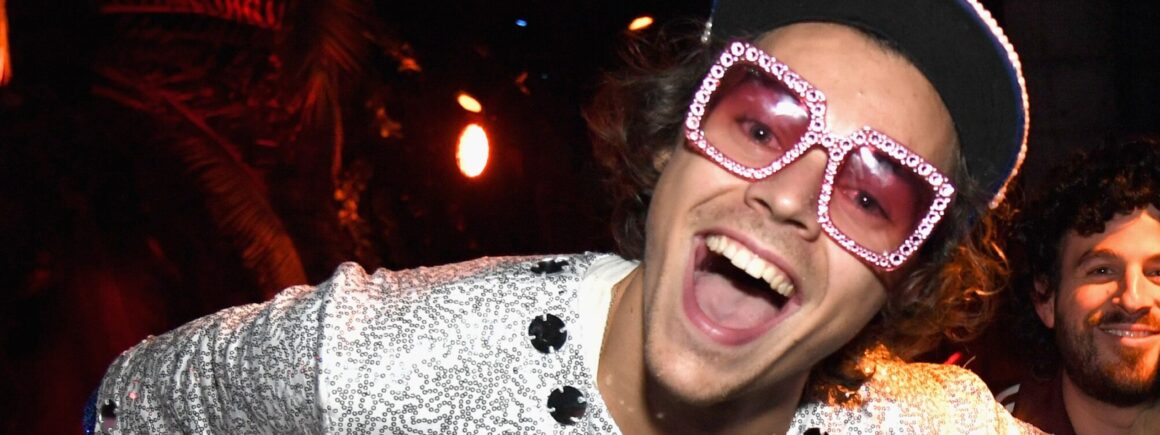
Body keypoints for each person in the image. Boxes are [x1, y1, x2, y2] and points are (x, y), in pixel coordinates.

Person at [89, 0, 1038, 433]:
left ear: (902, 281)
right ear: (669, 141)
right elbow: (135, 402)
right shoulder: (373, 359)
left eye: (871, 197)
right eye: (758, 126)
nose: (787, 196)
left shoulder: (934, 424)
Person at [999, 138, 1160, 435]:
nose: (1133, 298)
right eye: (1102, 270)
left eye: (1158, 273)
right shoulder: (980, 426)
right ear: (1045, 299)